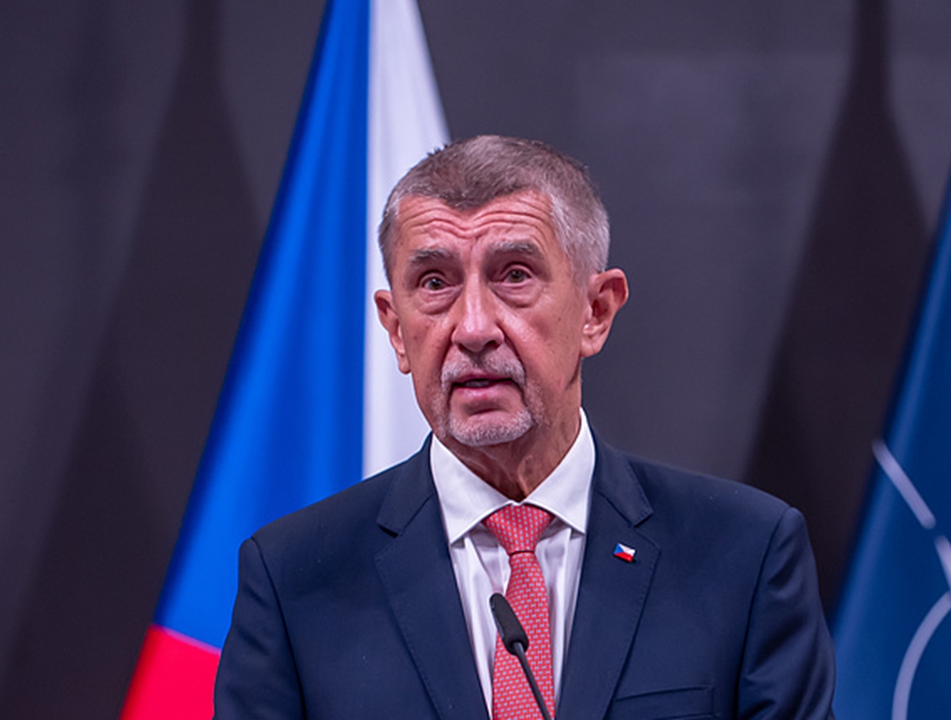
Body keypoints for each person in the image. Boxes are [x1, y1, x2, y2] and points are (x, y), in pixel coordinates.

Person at [214, 135, 836, 719]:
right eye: (434, 283)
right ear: (396, 329)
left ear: (596, 311)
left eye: (514, 275)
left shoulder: (744, 555)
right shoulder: (294, 579)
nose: (473, 328)